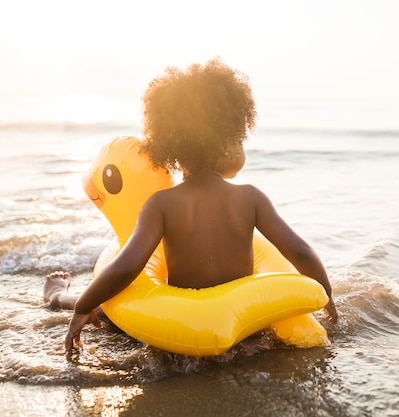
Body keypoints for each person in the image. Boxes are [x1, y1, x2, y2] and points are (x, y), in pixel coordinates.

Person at [46, 58, 338, 353]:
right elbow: (299, 250)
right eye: (239, 140)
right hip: (245, 324)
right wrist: (325, 295)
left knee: (107, 310)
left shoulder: (161, 204)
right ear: (227, 143)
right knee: (112, 309)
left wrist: (84, 308)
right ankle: (58, 296)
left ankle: (63, 299)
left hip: (186, 332)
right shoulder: (251, 198)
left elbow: (125, 268)